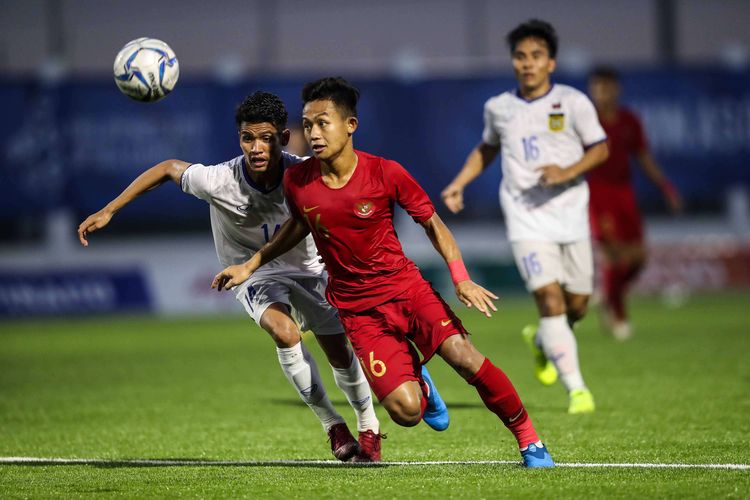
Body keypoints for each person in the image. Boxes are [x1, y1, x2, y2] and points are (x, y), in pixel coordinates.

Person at [211, 77, 555, 467]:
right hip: (357, 310)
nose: (313, 134)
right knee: (407, 413)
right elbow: (299, 225)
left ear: (350, 125)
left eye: (323, 123)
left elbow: (433, 224)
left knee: (464, 357)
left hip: (406, 289)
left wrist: (460, 277)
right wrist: (251, 263)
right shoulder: (297, 182)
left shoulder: (385, 173)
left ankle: (530, 440)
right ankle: (419, 378)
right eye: (307, 125)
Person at [77, 91, 387, 462]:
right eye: (247, 138)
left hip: (309, 270)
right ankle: (333, 425)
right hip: (253, 274)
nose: (256, 147)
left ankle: (368, 425)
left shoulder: (306, 174)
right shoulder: (219, 179)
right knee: (284, 331)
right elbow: (167, 168)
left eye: (266, 138)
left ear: (284, 139)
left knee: (339, 352)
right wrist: (110, 210)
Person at [441, 20, 609, 415]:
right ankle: (578, 390)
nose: (527, 64)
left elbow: (600, 149)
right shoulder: (499, 108)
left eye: (536, 56)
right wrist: (459, 182)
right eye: (520, 56)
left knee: (578, 305)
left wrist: (566, 172)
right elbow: (487, 149)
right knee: (550, 300)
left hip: (570, 217)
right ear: (513, 62)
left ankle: (541, 341)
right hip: (525, 219)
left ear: (551, 63)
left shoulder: (573, 102)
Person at [587, 66, 682, 340]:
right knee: (614, 256)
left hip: (624, 194)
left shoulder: (629, 120)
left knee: (638, 259)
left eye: (607, 87)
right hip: (599, 193)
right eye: (597, 88)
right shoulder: (586, 121)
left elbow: (643, 157)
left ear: (617, 89)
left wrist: (666, 187)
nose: (602, 93)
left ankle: (608, 295)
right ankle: (619, 318)